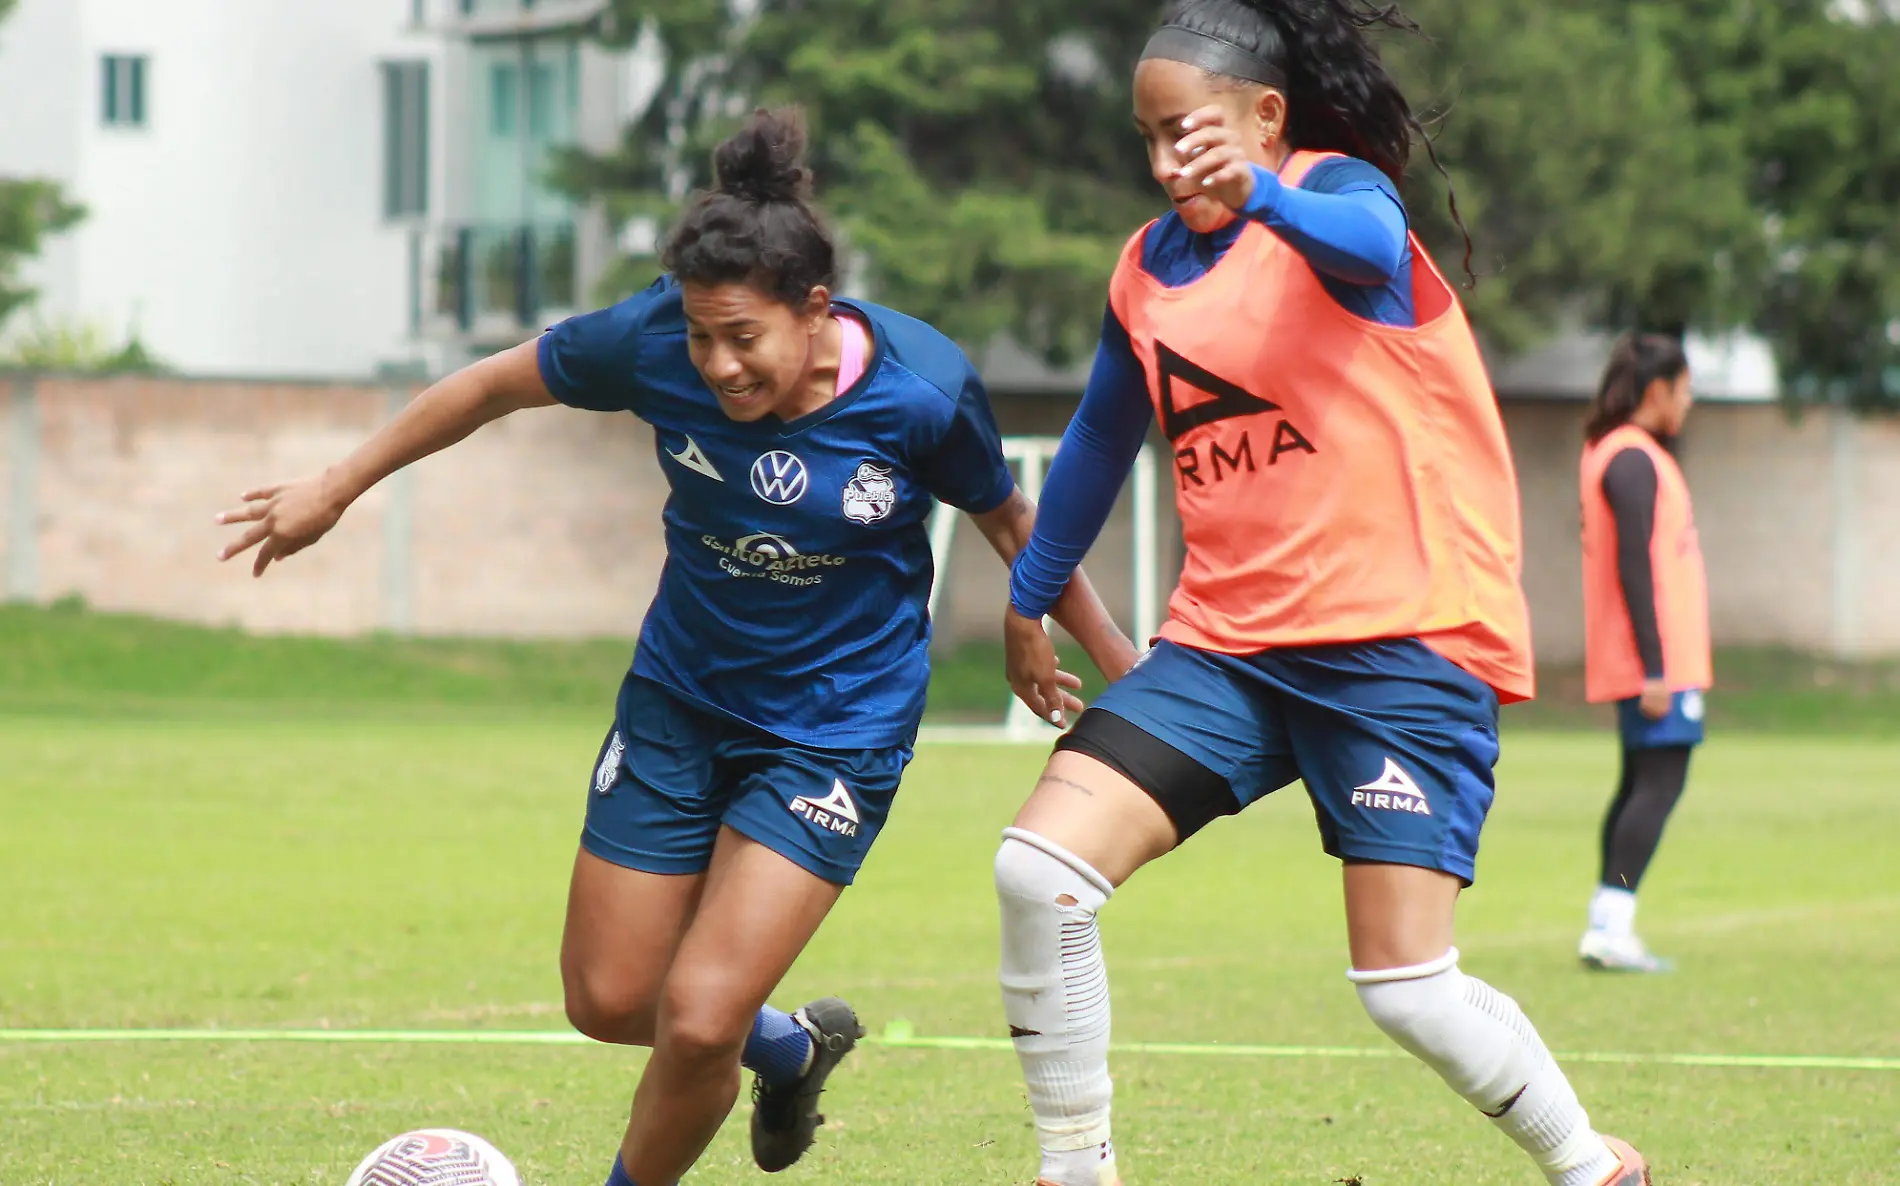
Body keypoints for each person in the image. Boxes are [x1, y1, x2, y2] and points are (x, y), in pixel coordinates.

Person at [216, 109, 1133, 1186]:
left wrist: (1113, 662)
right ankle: (788, 1047)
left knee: (699, 1019)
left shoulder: (920, 392)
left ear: (815, 310)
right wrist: (333, 486)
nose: (717, 364)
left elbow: (1011, 520)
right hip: (681, 700)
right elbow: (487, 385)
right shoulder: (650, 344)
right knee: (608, 1000)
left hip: (833, 731)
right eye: (701, 335)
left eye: (743, 336)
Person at [992, 2, 1652, 1184]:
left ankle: (1591, 1167)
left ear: (1266, 118)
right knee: (1036, 874)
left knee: (1405, 988)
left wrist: (1265, 198)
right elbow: (1100, 435)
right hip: (1226, 649)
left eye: (1186, 133)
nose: (1163, 162)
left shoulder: (1342, 199)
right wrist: (1028, 597)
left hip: (1398, 644)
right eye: (1145, 139)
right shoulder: (1146, 269)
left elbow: (1358, 244)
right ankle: (1074, 1170)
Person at [1577, 333, 1708, 973]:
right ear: (1657, 390)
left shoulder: (1624, 453)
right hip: (1655, 662)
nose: (1688, 404)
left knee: (1640, 781)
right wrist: (1655, 668)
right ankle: (1611, 925)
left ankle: (1607, 923)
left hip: (1654, 659)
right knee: (1658, 783)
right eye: (1683, 391)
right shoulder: (1631, 459)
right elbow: (1634, 567)